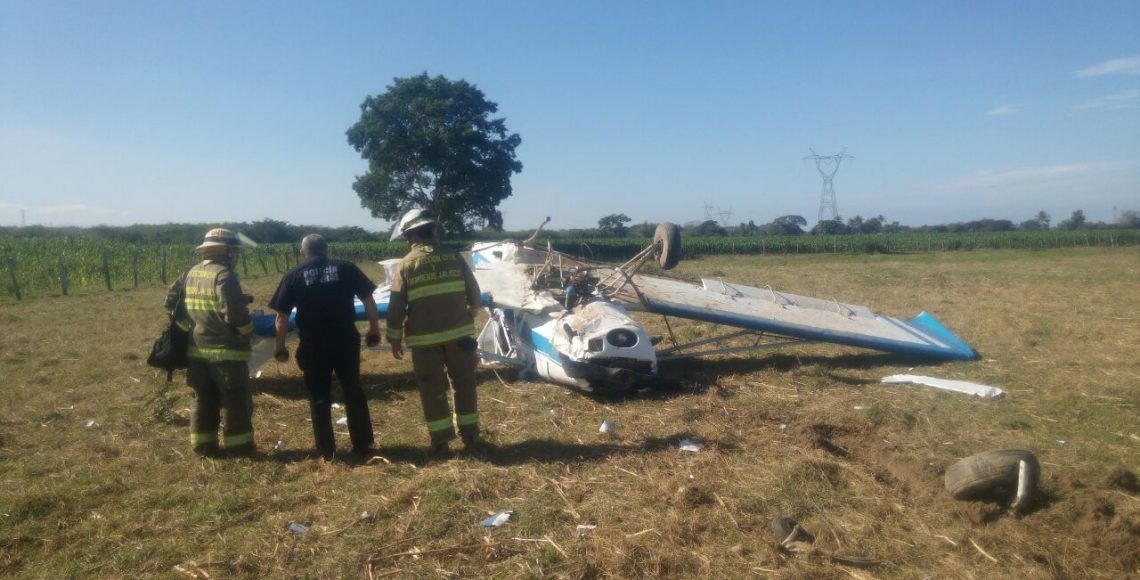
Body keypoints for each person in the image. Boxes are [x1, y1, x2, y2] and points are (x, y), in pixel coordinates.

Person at [268, 234, 381, 459]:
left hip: (313, 343)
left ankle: (326, 450)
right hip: (345, 339)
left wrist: (280, 346)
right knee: (353, 389)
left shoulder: (293, 275)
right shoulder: (346, 268)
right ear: (326, 249)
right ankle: (363, 444)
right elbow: (368, 299)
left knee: (318, 394)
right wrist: (374, 328)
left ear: (303, 252)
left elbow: (282, 316)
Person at [387, 209, 483, 454]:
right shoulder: (454, 257)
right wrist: (471, 313)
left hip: (424, 341)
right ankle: (470, 435)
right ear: (432, 230)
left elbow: (396, 306)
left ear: (411, 235)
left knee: (432, 389)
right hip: (460, 336)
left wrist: (395, 338)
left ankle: (441, 440)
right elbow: (474, 292)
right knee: (465, 384)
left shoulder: (406, 264)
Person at [165, 228, 256, 457]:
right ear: (227, 251)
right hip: (226, 353)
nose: (236, 256)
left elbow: (171, 302)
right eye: (235, 251)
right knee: (234, 400)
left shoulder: (190, 273)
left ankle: (203, 446)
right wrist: (246, 332)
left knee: (202, 400)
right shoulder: (224, 275)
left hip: (196, 350)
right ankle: (239, 448)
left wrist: (189, 324)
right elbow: (234, 314)